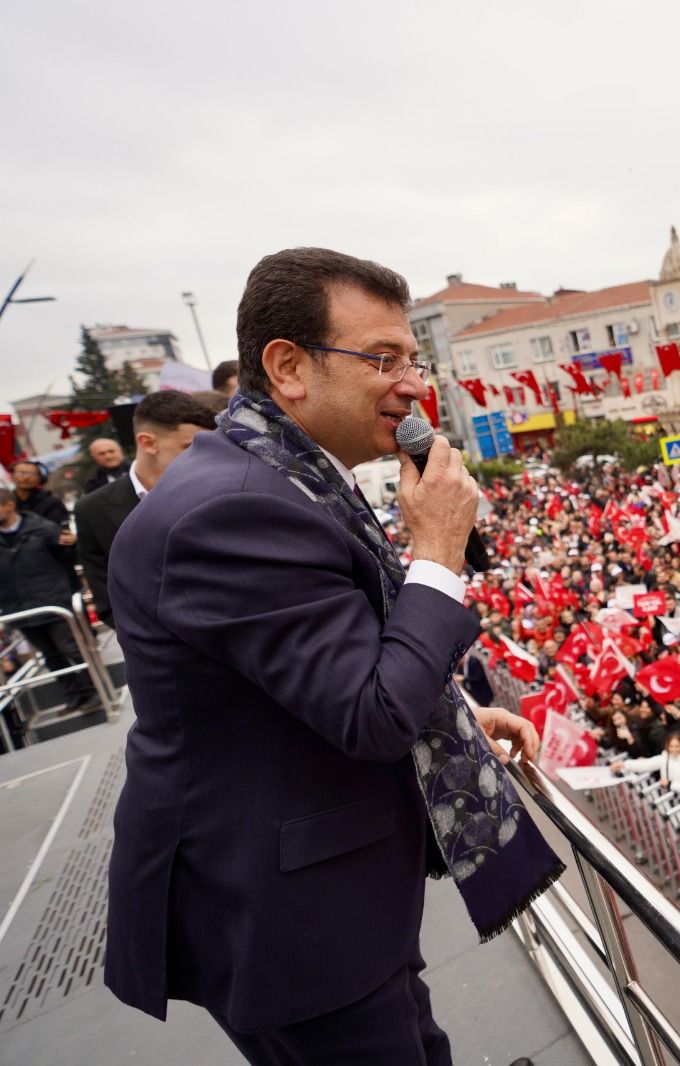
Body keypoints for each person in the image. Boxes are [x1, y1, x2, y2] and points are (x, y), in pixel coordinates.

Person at [104, 248, 563, 1064]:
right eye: (382, 359)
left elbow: (321, 670)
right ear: (288, 367)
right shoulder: (235, 510)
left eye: (412, 359)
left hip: (331, 895)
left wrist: (451, 715)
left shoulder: (281, 475)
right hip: (289, 920)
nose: (414, 384)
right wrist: (439, 552)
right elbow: (371, 713)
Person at [75, 391, 217, 630]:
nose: (206, 457)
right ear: (148, 443)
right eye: (190, 447)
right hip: (165, 656)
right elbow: (108, 600)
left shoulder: (224, 489)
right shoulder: (93, 510)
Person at [0, 487, 97, 709]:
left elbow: (69, 558)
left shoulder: (43, 528)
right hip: (19, 609)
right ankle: (74, 695)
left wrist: (72, 545)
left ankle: (94, 689)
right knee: (50, 656)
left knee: (72, 649)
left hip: (52, 603)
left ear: (9, 505)